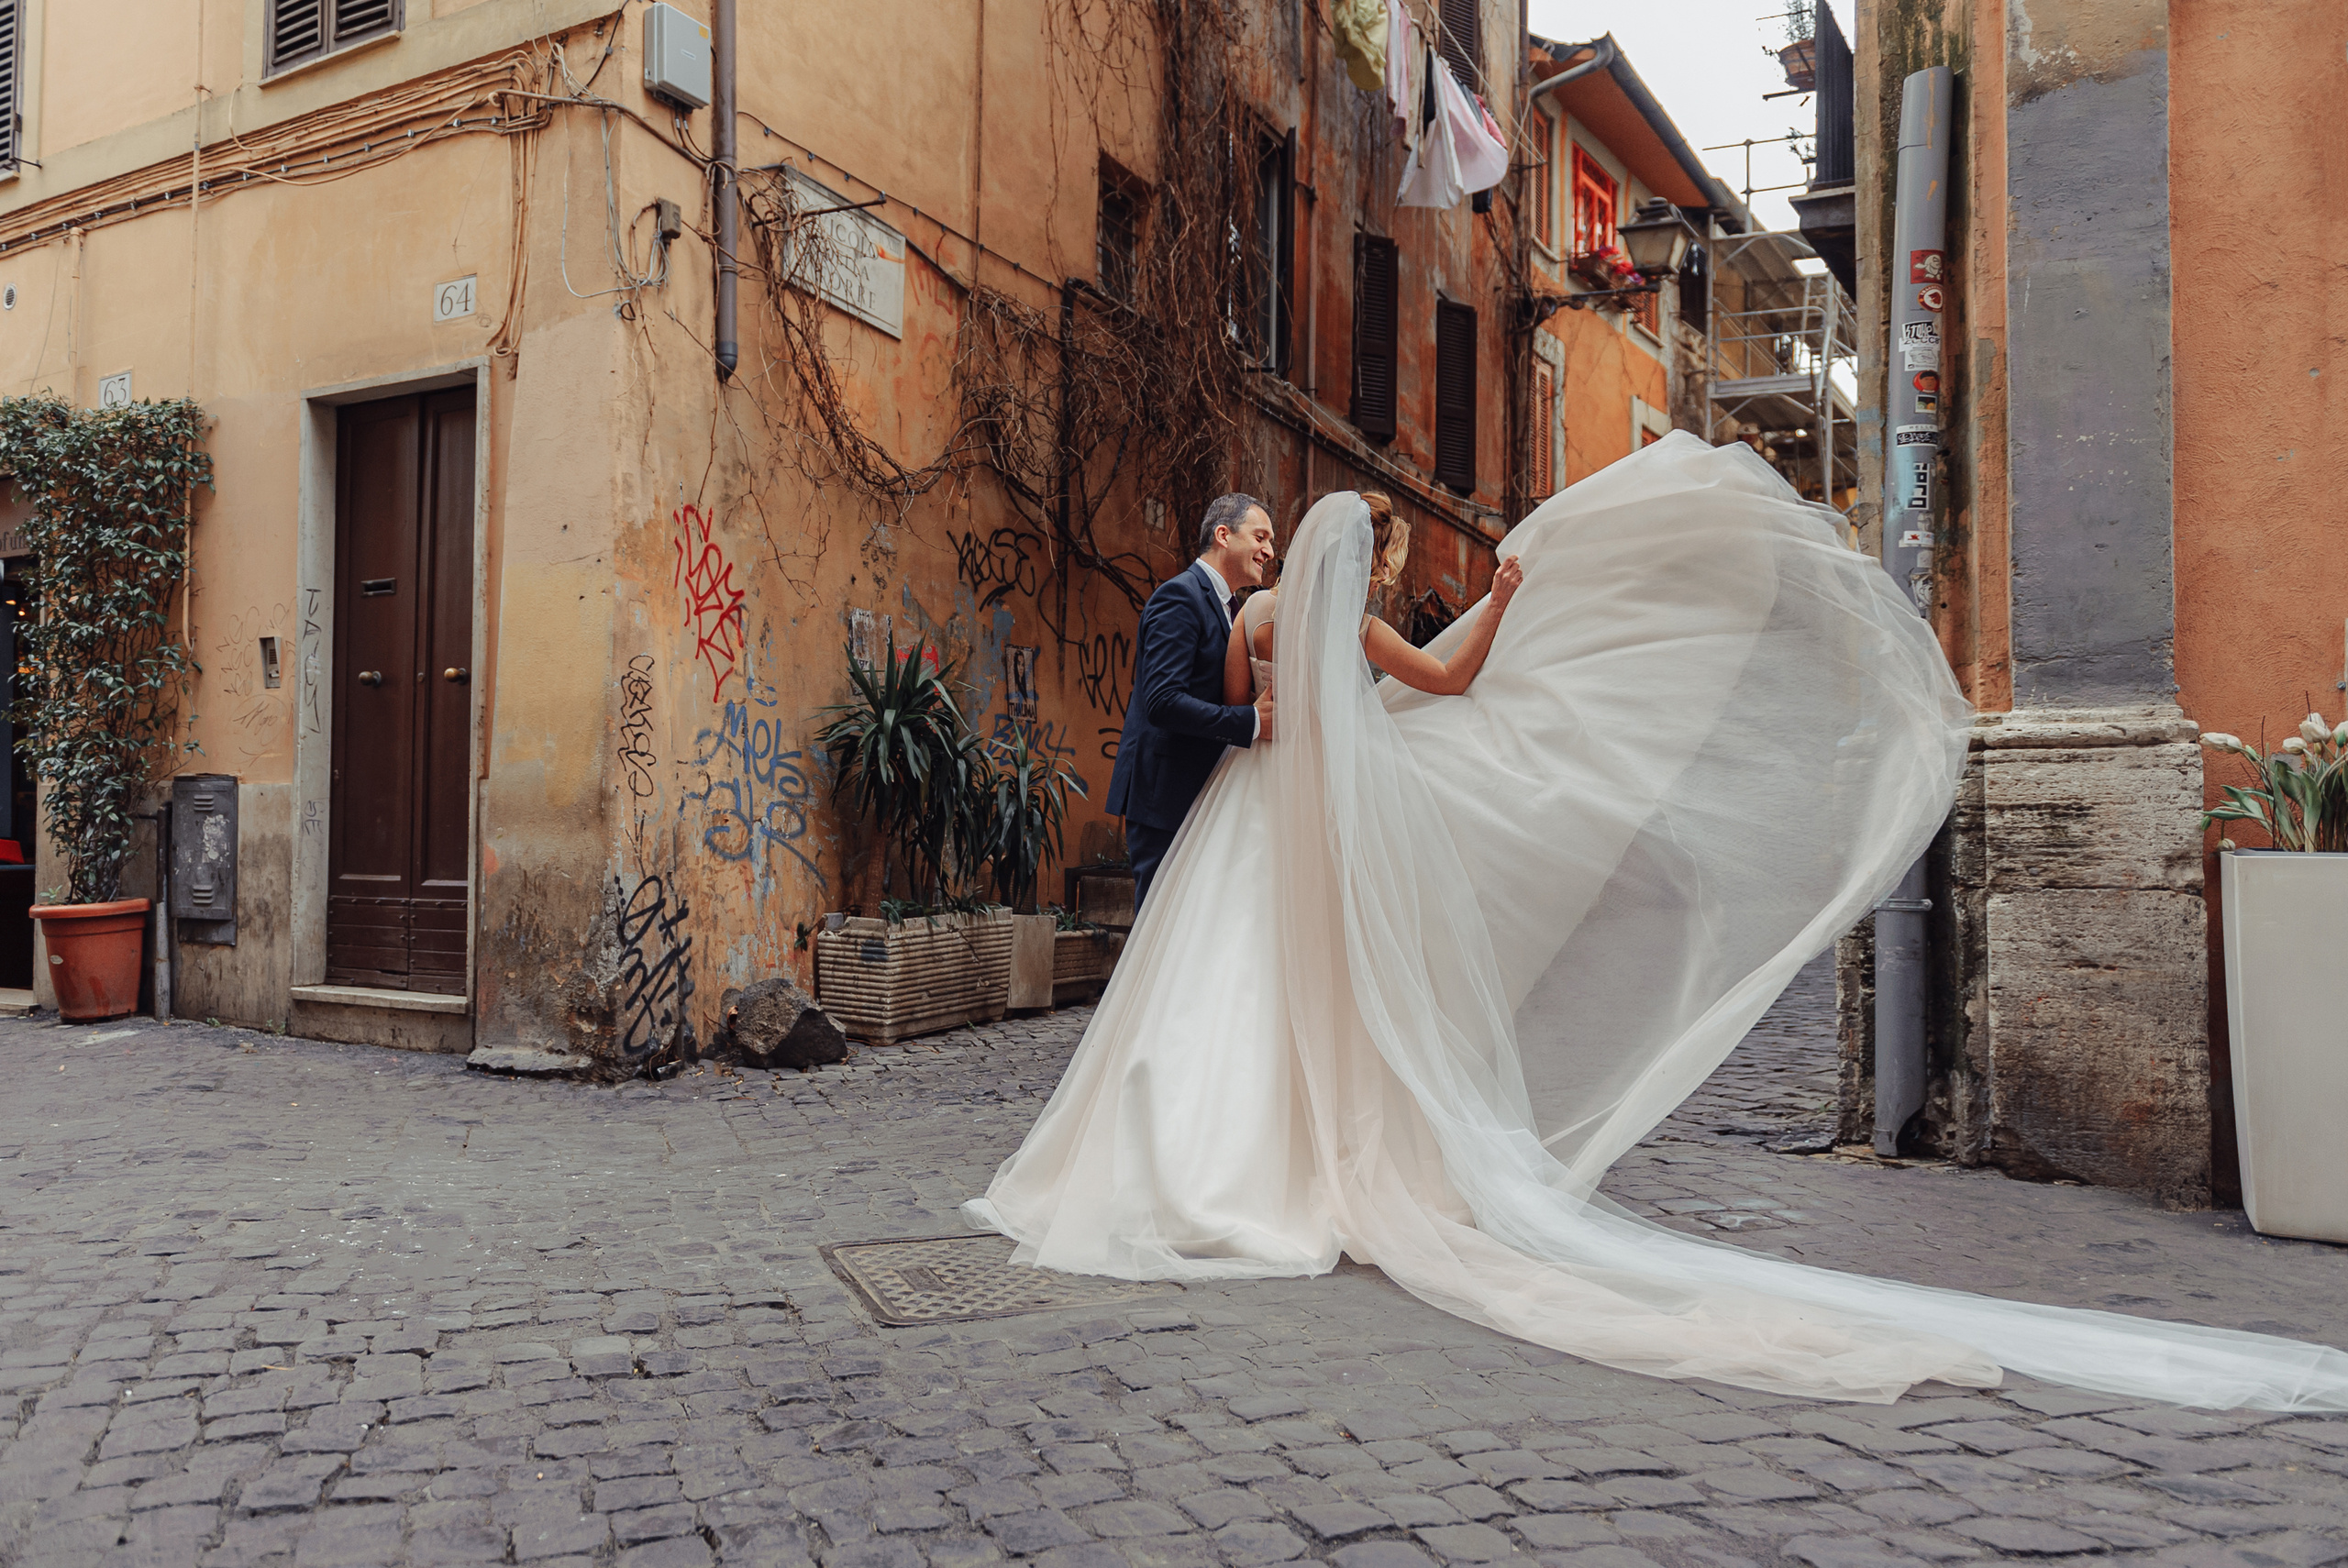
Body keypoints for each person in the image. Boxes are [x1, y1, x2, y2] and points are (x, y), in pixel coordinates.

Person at [969, 437, 2348, 1412]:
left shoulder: (1262, 618)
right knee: (1321, 984)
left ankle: (1207, 1155)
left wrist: (1275, 733)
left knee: (1229, 983)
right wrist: (1503, 603)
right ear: (1350, 554)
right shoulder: (1359, 631)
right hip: (1309, 807)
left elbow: (1231, 718)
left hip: (1260, 816)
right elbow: (1443, 687)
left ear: (1289, 555)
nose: (1282, 549)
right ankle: (1306, 1151)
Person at [1105, 493, 1279, 911]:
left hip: (1200, 795)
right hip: (1164, 797)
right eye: (1260, 537)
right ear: (1223, 535)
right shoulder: (1180, 596)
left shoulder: (1232, 607)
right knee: (1156, 931)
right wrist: (1251, 721)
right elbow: (1162, 701)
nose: (1270, 551)